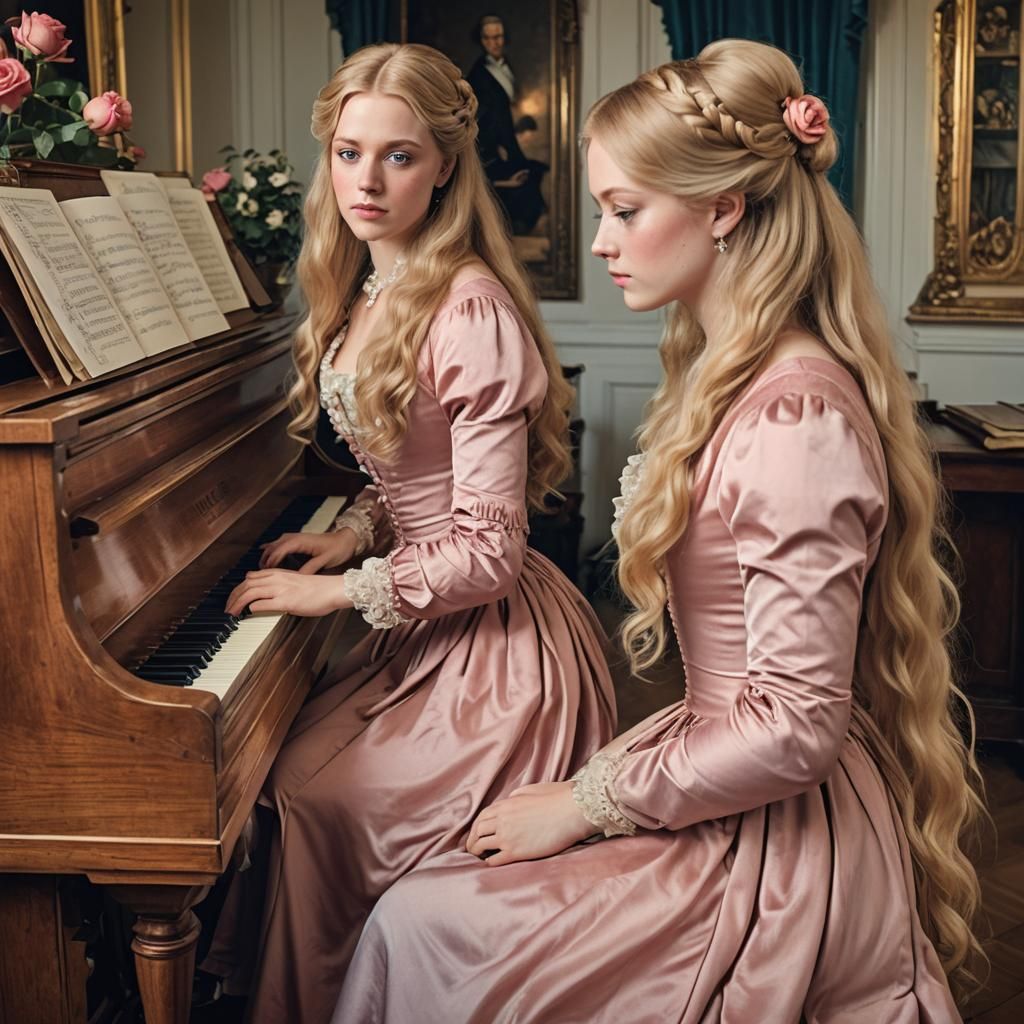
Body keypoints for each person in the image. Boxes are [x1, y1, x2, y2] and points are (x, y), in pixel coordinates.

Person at [333, 39, 985, 1023]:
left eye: (624, 211)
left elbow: (793, 727)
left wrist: (584, 802)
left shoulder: (792, 417)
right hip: (717, 769)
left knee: (422, 922)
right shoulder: (739, 372)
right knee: (423, 910)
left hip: (772, 835)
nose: (601, 242)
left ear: (723, 209)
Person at [201, 42, 616, 1024]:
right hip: (422, 616)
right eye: (349, 153)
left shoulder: (467, 306)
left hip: (497, 649)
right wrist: (350, 532)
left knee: (308, 794)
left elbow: (486, 548)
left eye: (398, 156)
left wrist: (330, 593)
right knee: (284, 779)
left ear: (443, 166)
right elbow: (410, 470)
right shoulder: (365, 292)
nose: (367, 181)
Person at [466, 14, 547, 234]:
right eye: (489, 38)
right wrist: (501, 148)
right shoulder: (480, 74)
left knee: (532, 173)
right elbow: (485, 118)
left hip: (505, 135)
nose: (494, 43)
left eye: (498, 37)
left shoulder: (506, 66)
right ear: (482, 41)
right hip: (489, 142)